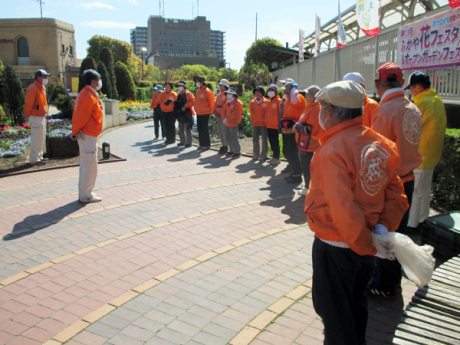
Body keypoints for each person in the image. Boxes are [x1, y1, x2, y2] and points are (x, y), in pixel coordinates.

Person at [305, 80, 408, 345]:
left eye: (322, 107)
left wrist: (366, 244)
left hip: (337, 244)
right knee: (356, 305)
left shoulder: (331, 150)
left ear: (329, 110)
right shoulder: (380, 143)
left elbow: (343, 208)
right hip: (368, 241)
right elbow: (396, 193)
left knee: (335, 314)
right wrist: (380, 232)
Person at [368, 62, 424, 298]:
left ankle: (385, 283)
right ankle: (393, 279)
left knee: (384, 233)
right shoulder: (413, 108)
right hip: (408, 178)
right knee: (398, 230)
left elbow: (376, 150)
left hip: (390, 182)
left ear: (377, 84)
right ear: (402, 83)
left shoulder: (385, 110)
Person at [405, 72, 447, 230]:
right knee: (424, 189)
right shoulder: (437, 100)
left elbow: (409, 127)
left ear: (418, 87)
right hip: (432, 155)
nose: (411, 92)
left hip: (421, 154)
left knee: (415, 191)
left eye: (411, 89)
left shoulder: (422, 103)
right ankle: (422, 219)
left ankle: (412, 224)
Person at [70, 69, 104, 203]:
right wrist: (74, 131)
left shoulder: (87, 94)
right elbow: (81, 117)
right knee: (89, 165)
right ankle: (86, 195)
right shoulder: (87, 96)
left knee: (87, 164)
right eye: (98, 79)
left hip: (88, 134)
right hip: (88, 134)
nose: (100, 82)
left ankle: (84, 193)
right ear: (93, 81)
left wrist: (75, 131)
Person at [294, 85, 322, 196]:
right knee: (306, 166)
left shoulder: (315, 109)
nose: (305, 96)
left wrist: (297, 126)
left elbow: (309, 128)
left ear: (313, 97)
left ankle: (308, 188)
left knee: (306, 166)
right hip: (307, 142)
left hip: (309, 143)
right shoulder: (311, 107)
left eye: (307, 94)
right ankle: (308, 186)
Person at [24, 69, 51, 166]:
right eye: (45, 77)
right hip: (35, 117)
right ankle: (34, 159)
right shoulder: (33, 88)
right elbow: (28, 104)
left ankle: (39, 157)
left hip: (40, 116)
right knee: (36, 138)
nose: (46, 78)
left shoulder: (41, 87)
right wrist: (28, 115)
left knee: (40, 138)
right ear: (38, 78)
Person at [281, 81, 306, 184]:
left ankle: (297, 175)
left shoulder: (298, 98)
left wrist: (294, 91)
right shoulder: (287, 101)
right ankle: (293, 171)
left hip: (294, 131)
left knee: (293, 153)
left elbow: (296, 101)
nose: (284, 93)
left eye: (286, 91)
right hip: (286, 130)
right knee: (287, 152)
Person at [193, 75, 215, 151]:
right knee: (200, 129)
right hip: (199, 113)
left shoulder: (208, 91)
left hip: (205, 113)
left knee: (204, 129)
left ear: (202, 82)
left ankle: (206, 145)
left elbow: (211, 102)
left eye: (198, 81)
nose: (196, 83)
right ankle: (201, 144)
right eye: (196, 82)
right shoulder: (198, 91)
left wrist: (211, 111)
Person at [222, 87, 243, 159]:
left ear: (234, 95)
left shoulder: (238, 103)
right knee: (228, 137)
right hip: (227, 123)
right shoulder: (227, 102)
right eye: (227, 93)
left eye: (230, 93)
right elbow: (223, 111)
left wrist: (227, 119)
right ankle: (232, 150)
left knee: (234, 137)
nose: (228, 95)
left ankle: (237, 151)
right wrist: (224, 118)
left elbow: (236, 113)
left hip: (233, 123)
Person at [249, 86, 269, 161]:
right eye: (255, 92)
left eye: (258, 92)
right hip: (255, 123)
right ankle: (256, 153)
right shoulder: (252, 102)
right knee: (255, 139)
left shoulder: (266, 102)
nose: (256, 94)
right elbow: (251, 112)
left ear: (262, 93)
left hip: (264, 124)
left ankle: (264, 154)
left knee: (264, 140)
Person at [265, 84, 283, 165]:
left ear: (275, 92)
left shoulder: (279, 101)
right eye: (269, 91)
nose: (270, 92)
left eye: (272, 91)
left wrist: (280, 125)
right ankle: (274, 156)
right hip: (268, 125)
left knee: (275, 141)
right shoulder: (268, 101)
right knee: (271, 141)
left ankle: (277, 157)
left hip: (275, 126)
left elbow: (280, 114)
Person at [174, 80, 195, 148]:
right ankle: (182, 141)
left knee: (187, 128)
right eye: (178, 86)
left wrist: (185, 106)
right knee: (181, 128)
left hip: (187, 113)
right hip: (180, 113)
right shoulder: (178, 94)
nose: (179, 87)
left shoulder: (189, 94)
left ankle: (189, 142)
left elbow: (193, 102)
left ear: (184, 87)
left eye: (181, 86)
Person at [213, 79, 229, 154]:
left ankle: (226, 145)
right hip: (218, 114)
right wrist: (214, 111)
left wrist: (221, 112)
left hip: (223, 115)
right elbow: (216, 103)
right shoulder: (219, 94)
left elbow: (226, 105)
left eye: (222, 85)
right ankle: (223, 144)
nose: (220, 86)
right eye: (220, 85)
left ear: (225, 86)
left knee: (224, 130)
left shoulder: (227, 94)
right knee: (220, 130)